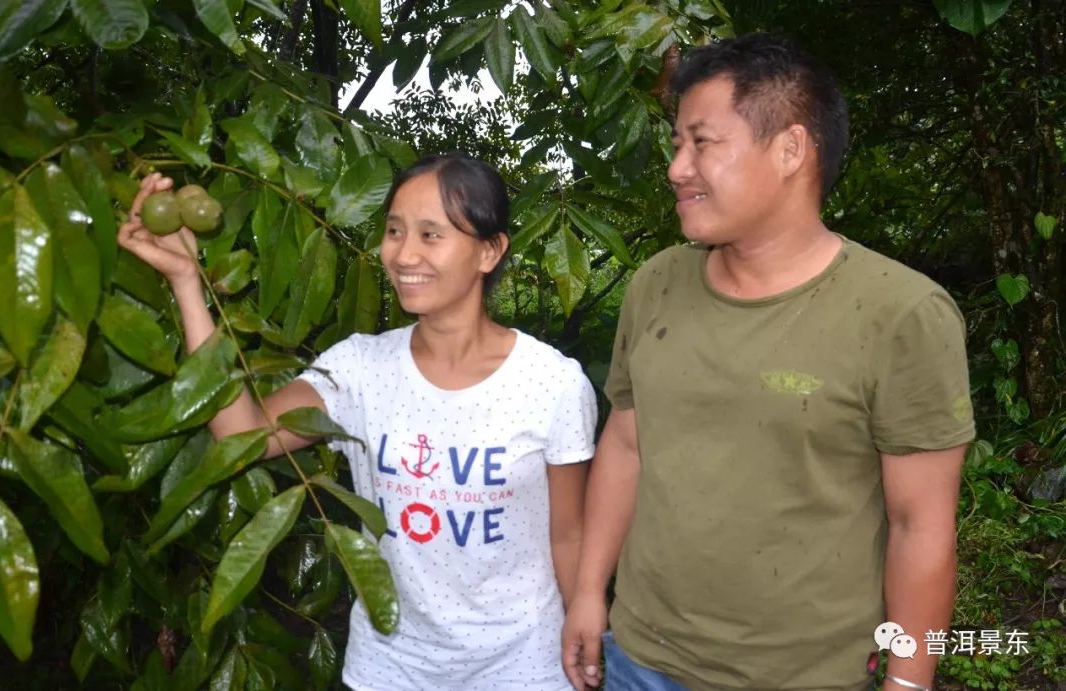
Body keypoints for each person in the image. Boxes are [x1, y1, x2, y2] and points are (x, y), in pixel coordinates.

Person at [561, 33, 974, 691]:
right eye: (676, 145)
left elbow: (920, 524)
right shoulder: (657, 284)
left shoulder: (901, 314)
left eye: (703, 142)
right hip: (640, 657)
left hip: (807, 675)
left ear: (790, 150)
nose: (677, 168)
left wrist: (909, 682)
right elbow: (627, 441)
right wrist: (588, 589)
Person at [119, 153, 597, 691]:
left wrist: (586, 612)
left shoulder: (551, 384)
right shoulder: (358, 369)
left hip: (523, 666)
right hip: (391, 667)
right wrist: (187, 280)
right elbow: (241, 433)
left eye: (430, 234)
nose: (403, 253)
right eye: (394, 230)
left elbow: (570, 533)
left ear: (490, 251)